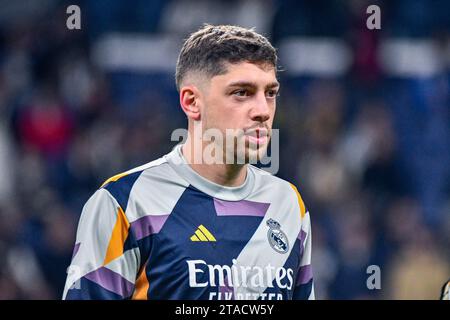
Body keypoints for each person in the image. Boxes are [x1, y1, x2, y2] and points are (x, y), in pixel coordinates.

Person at [62, 24, 314, 300]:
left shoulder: (289, 204)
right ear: (192, 102)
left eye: (270, 93)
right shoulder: (125, 202)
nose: (263, 111)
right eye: (242, 92)